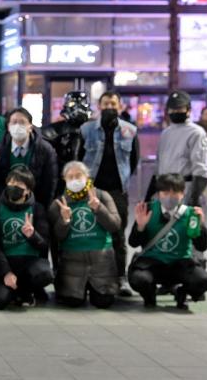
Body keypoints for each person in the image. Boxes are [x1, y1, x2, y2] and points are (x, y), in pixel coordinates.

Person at [79, 91, 139, 296]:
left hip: (117, 191)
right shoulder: (86, 130)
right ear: (99, 106)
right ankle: (90, 277)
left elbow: (133, 162)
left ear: (120, 106)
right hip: (91, 190)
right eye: (106, 103)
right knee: (91, 233)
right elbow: (79, 158)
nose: (109, 107)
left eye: (113, 103)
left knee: (118, 235)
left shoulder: (130, 131)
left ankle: (120, 278)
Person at [129, 173, 207, 309]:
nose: (170, 196)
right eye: (165, 192)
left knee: (204, 281)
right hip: (152, 263)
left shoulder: (190, 213)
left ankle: (182, 292)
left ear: (183, 194)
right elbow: (133, 243)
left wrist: (201, 226)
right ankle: (149, 295)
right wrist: (140, 226)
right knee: (139, 279)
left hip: (180, 263)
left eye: (175, 193)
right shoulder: (148, 209)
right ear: (158, 194)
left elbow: (202, 246)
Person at [48, 161, 121, 308]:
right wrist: (65, 220)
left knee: (104, 302)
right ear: (65, 180)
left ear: (87, 177)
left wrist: (99, 208)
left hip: (101, 261)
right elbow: (57, 238)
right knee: (72, 302)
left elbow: (115, 225)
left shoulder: (102, 195)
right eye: (71, 177)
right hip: (72, 263)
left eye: (78, 176)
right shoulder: (58, 203)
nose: (75, 180)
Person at [0, 167, 54, 310]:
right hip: (6, 262)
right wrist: (6, 272)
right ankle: (16, 289)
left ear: (28, 190)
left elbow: (44, 245)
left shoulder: (37, 209)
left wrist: (33, 235)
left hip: (30, 262)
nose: (13, 187)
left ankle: (25, 290)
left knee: (45, 274)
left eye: (18, 184)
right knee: (0, 301)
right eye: (10, 183)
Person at [146, 91, 207, 207]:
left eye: (180, 108)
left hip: (184, 189)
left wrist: (193, 199)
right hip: (164, 190)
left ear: (188, 110)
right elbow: (158, 167)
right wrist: (148, 197)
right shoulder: (165, 133)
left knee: (184, 223)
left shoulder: (196, 133)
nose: (175, 112)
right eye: (172, 109)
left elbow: (201, 171)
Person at [0, 107, 58, 209]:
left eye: (22, 122)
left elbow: (50, 183)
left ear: (30, 127)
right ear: (8, 127)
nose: (18, 126)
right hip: (6, 204)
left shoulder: (45, 150)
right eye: (14, 122)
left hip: (35, 204)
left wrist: (42, 208)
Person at [41, 91, 90, 195]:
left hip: (89, 182)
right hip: (60, 183)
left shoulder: (94, 130)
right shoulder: (54, 130)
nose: (78, 107)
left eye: (82, 103)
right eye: (72, 103)